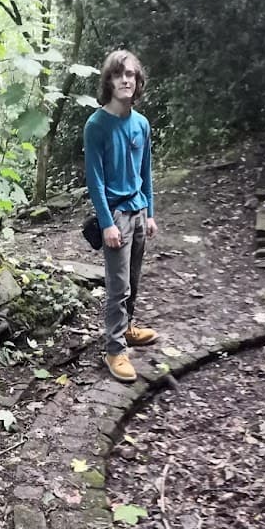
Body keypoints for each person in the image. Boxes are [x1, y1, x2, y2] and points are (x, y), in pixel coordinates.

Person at [83, 48, 159, 382]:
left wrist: (151, 213)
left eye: (130, 75)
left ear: (137, 80)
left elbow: (147, 172)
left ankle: (127, 329)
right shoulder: (96, 125)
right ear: (109, 81)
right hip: (116, 215)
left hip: (139, 211)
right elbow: (95, 181)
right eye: (118, 74)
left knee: (135, 279)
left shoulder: (142, 124)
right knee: (118, 286)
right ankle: (114, 350)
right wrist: (107, 223)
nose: (125, 80)